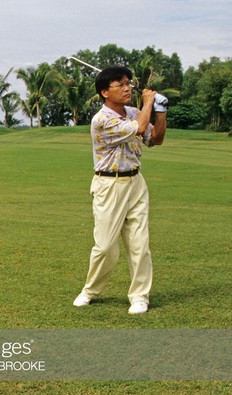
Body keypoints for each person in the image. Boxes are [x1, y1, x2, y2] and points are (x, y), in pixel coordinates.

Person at [73, 66, 167, 315]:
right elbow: (137, 128)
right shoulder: (102, 119)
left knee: (139, 244)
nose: (127, 88)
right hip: (109, 185)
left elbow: (155, 139)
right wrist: (148, 102)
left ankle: (139, 296)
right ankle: (90, 290)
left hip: (136, 182)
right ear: (105, 92)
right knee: (104, 246)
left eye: (128, 83)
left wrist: (161, 111)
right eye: (120, 84)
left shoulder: (134, 112)